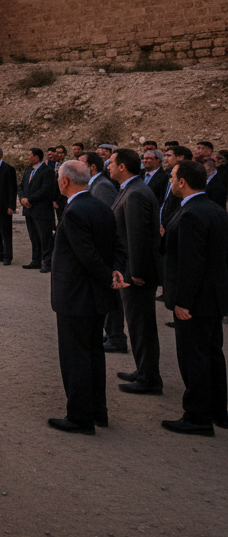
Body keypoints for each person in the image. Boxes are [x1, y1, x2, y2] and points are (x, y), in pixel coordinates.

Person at [48, 159, 128, 434]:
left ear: (65, 181)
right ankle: (97, 411)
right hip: (96, 296)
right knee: (94, 354)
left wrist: (108, 274)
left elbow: (87, 256)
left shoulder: (73, 212)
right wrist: (115, 271)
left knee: (76, 357)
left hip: (76, 297)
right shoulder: (100, 206)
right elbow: (117, 245)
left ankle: (80, 417)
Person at [160, 160, 228, 436]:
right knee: (212, 354)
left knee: (194, 357)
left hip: (195, 301)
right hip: (213, 297)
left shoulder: (190, 214)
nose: (170, 182)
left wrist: (183, 301)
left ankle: (197, 417)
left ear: (183, 181)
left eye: (173, 177)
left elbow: (191, 262)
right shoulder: (215, 210)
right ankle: (216, 409)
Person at [108, 148, 163, 395]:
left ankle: (149, 379)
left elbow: (137, 237)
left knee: (142, 325)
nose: (107, 166)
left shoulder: (135, 194)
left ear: (122, 167)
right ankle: (143, 371)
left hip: (135, 274)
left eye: (111, 162)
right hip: (132, 270)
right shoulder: (130, 189)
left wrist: (135, 272)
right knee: (138, 324)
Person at [81, 152, 127, 353]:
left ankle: (117, 336)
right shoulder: (95, 184)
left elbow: (109, 219)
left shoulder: (103, 186)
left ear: (91, 167)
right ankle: (111, 333)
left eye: (81, 164)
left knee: (111, 294)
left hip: (106, 250)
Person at [18, 147, 57, 272]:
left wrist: (29, 199)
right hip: (29, 210)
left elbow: (45, 190)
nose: (28, 157)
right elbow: (21, 186)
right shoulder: (28, 170)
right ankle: (36, 260)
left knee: (45, 237)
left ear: (36, 156)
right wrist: (23, 199)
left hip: (41, 210)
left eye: (30, 155)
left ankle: (47, 262)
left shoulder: (47, 171)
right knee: (33, 236)